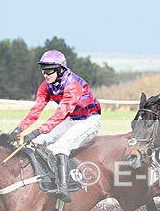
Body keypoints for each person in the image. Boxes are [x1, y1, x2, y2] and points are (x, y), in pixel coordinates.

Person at [10, 49, 102, 203]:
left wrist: (37, 131)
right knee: (37, 141)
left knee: (60, 146)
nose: (46, 75)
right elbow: (36, 110)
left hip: (89, 120)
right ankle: (47, 178)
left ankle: (64, 187)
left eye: (49, 71)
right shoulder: (46, 86)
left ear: (61, 70)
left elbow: (61, 113)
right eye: (43, 71)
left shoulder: (73, 85)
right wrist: (19, 129)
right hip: (71, 119)